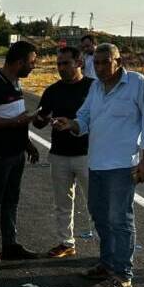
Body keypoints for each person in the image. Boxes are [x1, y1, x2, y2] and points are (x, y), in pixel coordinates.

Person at [53, 43, 144, 287]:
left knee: (119, 220)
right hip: (97, 163)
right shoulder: (95, 88)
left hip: (123, 165)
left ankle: (123, 275)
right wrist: (69, 125)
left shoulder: (137, 84)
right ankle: (107, 264)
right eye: (97, 62)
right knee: (100, 217)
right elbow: (85, 120)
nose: (100, 67)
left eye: (105, 62)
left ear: (118, 62)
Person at [0, 41, 41, 264]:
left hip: (16, 153)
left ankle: (9, 245)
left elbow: (17, 118)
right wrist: (15, 123)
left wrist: (27, 143)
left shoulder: (15, 83)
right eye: (31, 62)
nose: (34, 66)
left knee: (11, 200)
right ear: (19, 62)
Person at [33, 47, 94, 258]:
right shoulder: (52, 90)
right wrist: (41, 119)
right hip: (60, 153)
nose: (60, 68)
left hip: (87, 154)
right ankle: (66, 242)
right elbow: (39, 121)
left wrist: (73, 125)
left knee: (95, 203)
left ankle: (106, 248)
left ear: (79, 63)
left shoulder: (93, 88)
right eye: (58, 64)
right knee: (62, 203)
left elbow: (101, 120)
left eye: (65, 63)